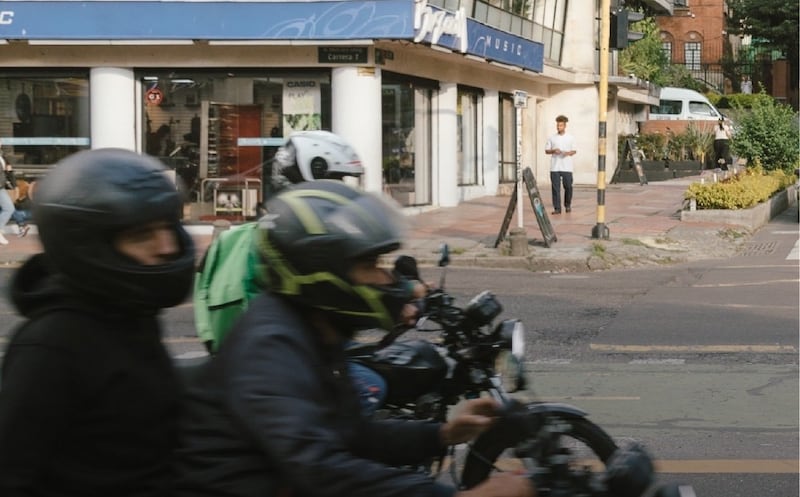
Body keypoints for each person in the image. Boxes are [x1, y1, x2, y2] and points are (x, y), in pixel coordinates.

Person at [173, 181, 536, 497]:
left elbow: (352, 434)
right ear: (320, 275)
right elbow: (324, 471)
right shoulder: (271, 346)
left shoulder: (316, 333)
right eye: (369, 266)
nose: (384, 279)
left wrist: (442, 433)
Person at [0, 148, 196, 496]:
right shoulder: (52, 345)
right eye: (141, 235)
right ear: (87, 246)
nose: (166, 246)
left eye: (167, 227)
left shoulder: (132, 313)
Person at [544, 115, 576, 214]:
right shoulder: (552, 138)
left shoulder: (570, 137)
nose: (559, 127)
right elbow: (546, 151)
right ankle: (557, 208)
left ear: (565, 126)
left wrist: (567, 153)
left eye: (561, 125)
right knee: (555, 188)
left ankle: (568, 205)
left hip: (567, 167)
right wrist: (553, 150)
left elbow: (574, 151)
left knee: (568, 187)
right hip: (555, 167)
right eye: (557, 125)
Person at [0, 144, 16, 245]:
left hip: (1, 187)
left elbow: (8, 170)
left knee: (9, 208)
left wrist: (13, 184)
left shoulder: (2, 156)